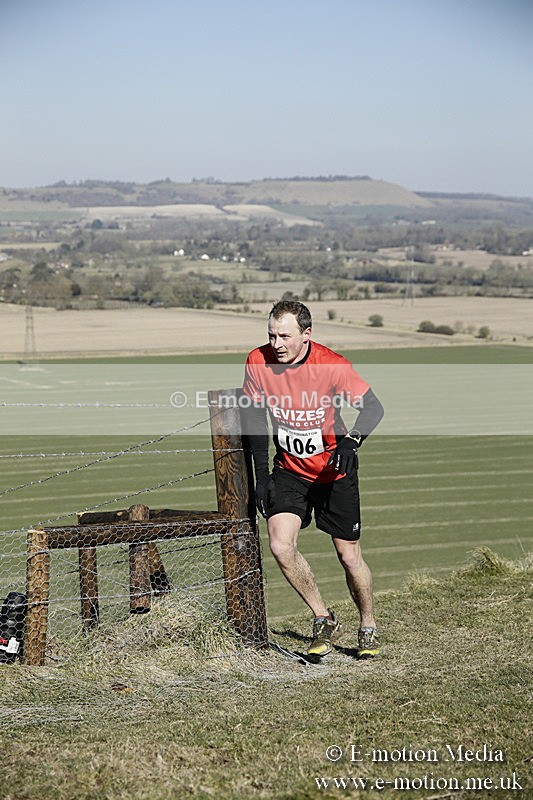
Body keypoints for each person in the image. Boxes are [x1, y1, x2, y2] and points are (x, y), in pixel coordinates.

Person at [241, 300, 384, 659]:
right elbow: (255, 419)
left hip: (334, 471)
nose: (277, 344)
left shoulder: (331, 365)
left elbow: (373, 407)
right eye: (271, 335)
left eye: (285, 336)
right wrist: (261, 476)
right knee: (279, 545)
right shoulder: (258, 361)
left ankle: (368, 626)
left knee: (348, 556)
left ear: (307, 335)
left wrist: (352, 442)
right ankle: (323, 617)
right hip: (290, 470)